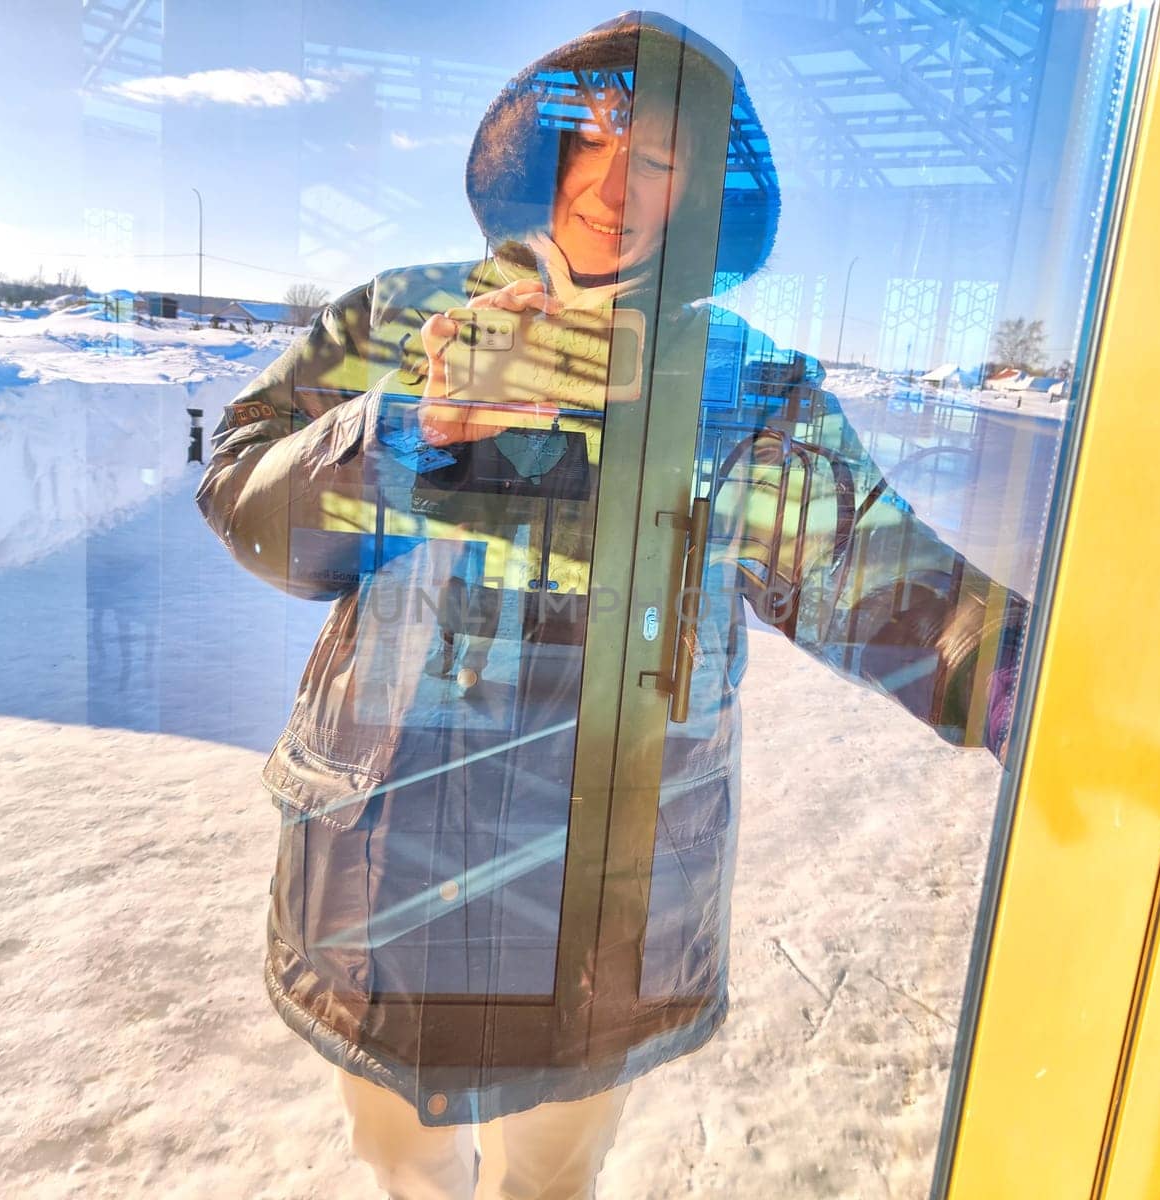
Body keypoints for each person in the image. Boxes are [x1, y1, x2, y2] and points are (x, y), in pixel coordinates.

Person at [197, 12, 1026, 1198]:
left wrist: (1028, 688)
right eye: (591, 140)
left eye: (660, 159)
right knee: (398, 1155)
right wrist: (405, 434)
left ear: (703, 192)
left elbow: (873, 575)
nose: (614, 184)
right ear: (537, 147)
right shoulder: (397, 318)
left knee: (554, 1171)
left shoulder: (739, 385)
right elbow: (241, 489)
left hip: (599, 887)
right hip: (386, 846)